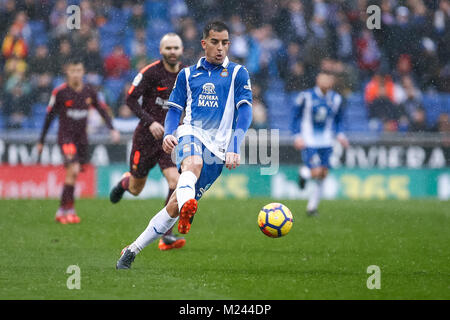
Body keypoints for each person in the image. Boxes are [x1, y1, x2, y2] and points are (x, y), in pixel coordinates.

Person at [116, 21, 253, 269]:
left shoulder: (237, 73)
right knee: (193, 162)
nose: (220, 48)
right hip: (191, 132)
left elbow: (245, 113)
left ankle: (132, 250)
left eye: (225, 43)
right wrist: (170, 133)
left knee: (174, 207)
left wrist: (234, 145)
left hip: (220, 148)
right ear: (204, 43)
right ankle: (190, 206)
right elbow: (174, 110)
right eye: (215, 42)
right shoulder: (187, 75)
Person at [109, 33, 187, 251]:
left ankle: (166, 236)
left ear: (181, 50)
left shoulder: (187, 74)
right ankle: (125, 183)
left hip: (169, 140)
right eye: (168, 48)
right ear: (161, 51)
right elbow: (130, 99)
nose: (172, 51)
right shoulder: (150, 73)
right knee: (136, 189)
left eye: (176, 48)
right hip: (145, 138)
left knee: (176, 182)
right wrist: (151, 121)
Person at [36, 57, 121, 224]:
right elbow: (49, 117)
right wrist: (41, 141)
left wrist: (112, 129)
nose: (76, 74)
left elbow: (102, 110)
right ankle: (67, 210)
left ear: (83, 72)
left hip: (82, 139)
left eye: (78, 71)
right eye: (72, 71)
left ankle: (64, 210)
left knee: (74, 174)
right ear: (67, 72)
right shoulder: (60, 92)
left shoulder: (89, 92)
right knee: (73, 170)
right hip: (66, 138)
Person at [291, 71, 349, 216]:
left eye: (328, 78)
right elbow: (295, 117)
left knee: (323, 173)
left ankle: (312, 207)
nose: (326, 81)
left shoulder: (336, 99)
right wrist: (297, 136)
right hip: (309, 140)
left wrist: (341, 135)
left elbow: (338, 120)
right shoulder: (306, 96)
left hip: (327, 141)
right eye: (323, 78)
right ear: (317, 80)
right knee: (316, 171)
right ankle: (303, 173)